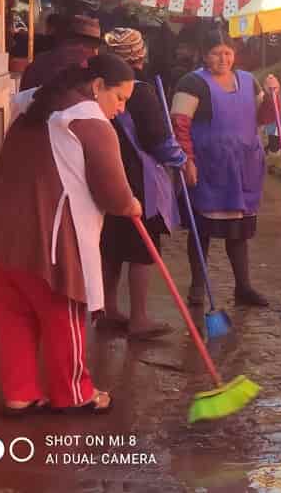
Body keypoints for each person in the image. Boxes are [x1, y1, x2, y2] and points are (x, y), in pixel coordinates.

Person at [0, 54, 141, 415]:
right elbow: (113, 192)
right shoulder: (90, 122)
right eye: (119, 98)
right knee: (65, 317)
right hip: (43, 241)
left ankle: (21, 394)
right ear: (96, 87)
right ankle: (75, 393)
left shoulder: (36, 108)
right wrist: (131, 204)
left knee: (15, 319)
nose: (121, 109)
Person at [171, 28, 281, 307]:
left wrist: (272, 96)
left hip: (243, 167)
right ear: (204, 56)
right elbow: (180, 125)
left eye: (228, 53)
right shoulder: (192, 83)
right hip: (209, 168)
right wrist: (187, 161)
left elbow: (265, 117)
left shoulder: (248, 81)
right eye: (216, 53)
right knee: (202, 230)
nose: (222, 59)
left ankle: (243, 287)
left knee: (239, 231)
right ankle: (198, 287)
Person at [100, 28, 186, 339]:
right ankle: (139, 317)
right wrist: (181, 160)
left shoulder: (98, 89)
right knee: (142, 249)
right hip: (139, 180)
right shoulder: (140, 91)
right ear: (140, 55)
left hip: (106, 174)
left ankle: (108, 310)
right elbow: (157, 140)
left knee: (111, 246)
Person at [19, 15, 101, 91]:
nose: (94, 54)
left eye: (94, 48)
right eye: (90, 46)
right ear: (71, 43)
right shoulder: (42, 66)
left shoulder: (87, 72)